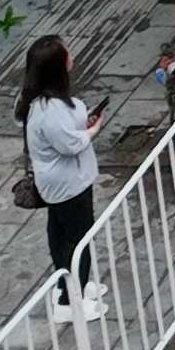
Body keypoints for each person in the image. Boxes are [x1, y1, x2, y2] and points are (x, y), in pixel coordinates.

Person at [17, 33, 104, 315]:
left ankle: (70, 286)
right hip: (68, 184)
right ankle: (71, 300)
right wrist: (92, 130)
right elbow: (69, 143)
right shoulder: (50, 109)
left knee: (60, 232)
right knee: (77, 239)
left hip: (60, 183)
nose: (72, 57)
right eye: (67, 54)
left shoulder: (42, 103)